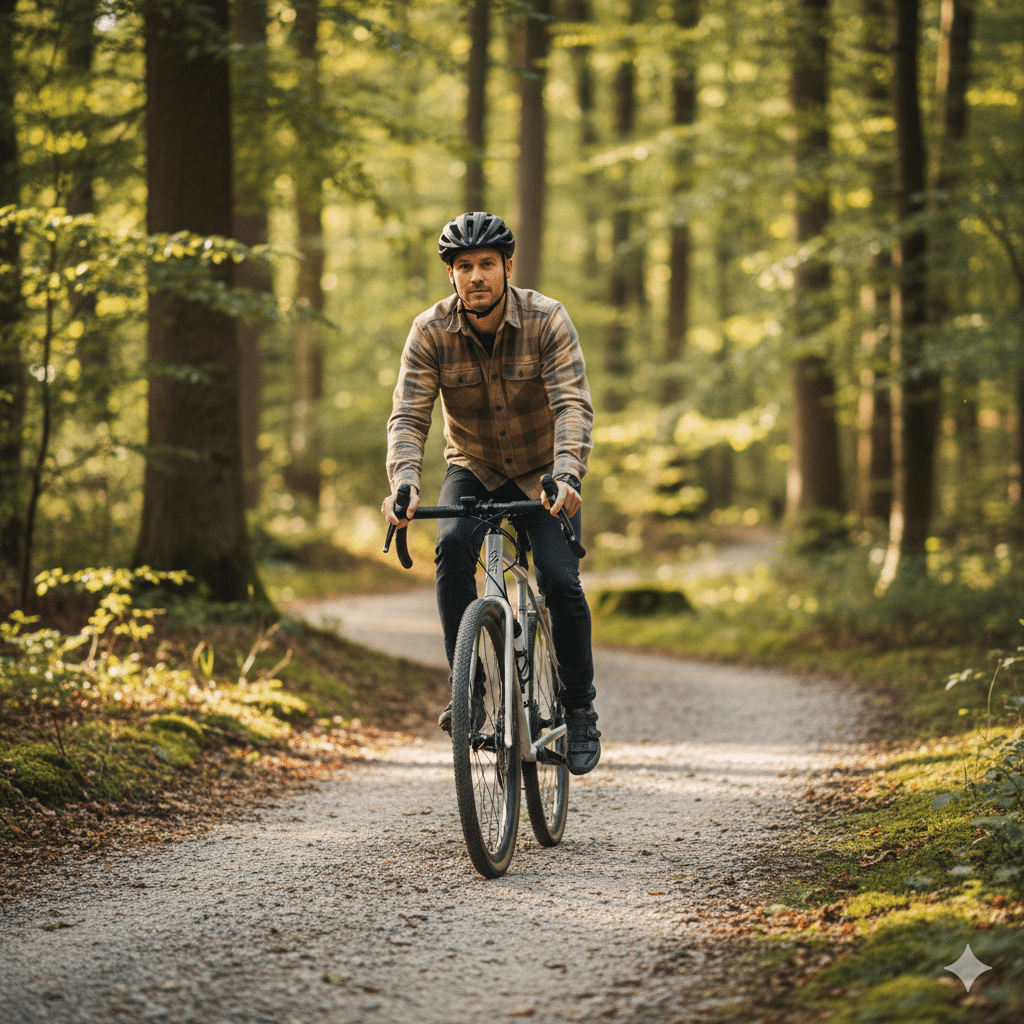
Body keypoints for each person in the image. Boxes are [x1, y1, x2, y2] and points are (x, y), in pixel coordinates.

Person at [381, 211, 601, 775]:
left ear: (507, 267)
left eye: (485, 264)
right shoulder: (430, 331)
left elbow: (571, 404)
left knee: (559, 580)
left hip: (542, 472)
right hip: (473, 465)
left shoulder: (548, 319)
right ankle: (470, 689)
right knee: (452, 549)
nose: (475, 276)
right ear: (451, 276)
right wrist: (404, 484)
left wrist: (570, 474)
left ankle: (579, 708)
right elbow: (408, 416)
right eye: (463, 267)